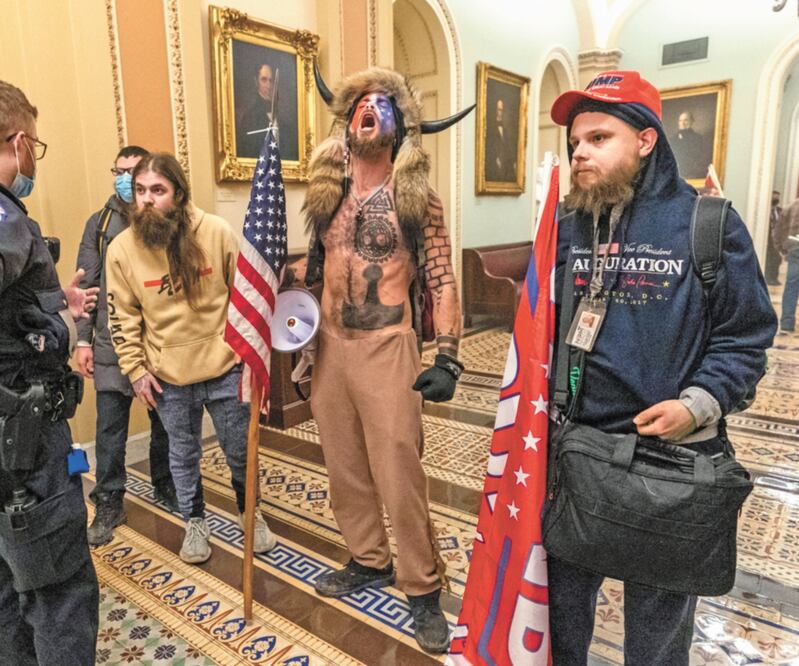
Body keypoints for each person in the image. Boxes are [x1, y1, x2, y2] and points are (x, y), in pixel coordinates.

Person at [548, 71, 776, 665]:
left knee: (656, 635)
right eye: (575, 142)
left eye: (599, 138)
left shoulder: (708, 224)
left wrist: (696, 404)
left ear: (646, 140)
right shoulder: (569, 228)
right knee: (561, 618)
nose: (579, 153)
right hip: (578, 455)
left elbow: (746, 335)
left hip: (670, 464)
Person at [288, 66, 471, 653]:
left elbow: (440, 277)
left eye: (382, 104)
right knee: (343, 468)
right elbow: (315, 271)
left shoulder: (418, 198)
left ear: (399, 125)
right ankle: (367, 558)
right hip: (331, 347)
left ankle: (421, 588)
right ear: (348, 122)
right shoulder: (327, 193)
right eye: (360, 104)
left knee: (398, 474)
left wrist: (448, 357)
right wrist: (297, 334)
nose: (369, 109)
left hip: (389, 347)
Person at [105, 152, 275, 564]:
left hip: (224, 366)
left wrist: (250, 360)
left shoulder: (215, 232)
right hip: (168, 376)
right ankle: (195, 520)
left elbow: (246, 298)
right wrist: (136, 370)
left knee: (240, 449)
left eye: (158, 191)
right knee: (182, 454)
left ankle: (250, 513)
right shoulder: (121, 250)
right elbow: (121, 317)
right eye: (140, 191)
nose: (146, 200)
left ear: (178, 194)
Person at [0, 79, 100, 664]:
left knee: (11, 592)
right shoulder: (7, 216)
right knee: (59, 594)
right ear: (20, 143)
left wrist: (54, 299)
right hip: (26, 447)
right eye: (35, 144)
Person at [76, 145, 180, 547]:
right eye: (118, 171)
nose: (125, 179)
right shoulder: (99, 224)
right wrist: (82, 341)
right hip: (109, 341)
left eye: (133, 172)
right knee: (109, 429)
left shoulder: (165, 221)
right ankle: (109, 502)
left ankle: (166, 485)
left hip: (158, 341)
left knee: (165, 422)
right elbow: (86, 285)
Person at [236, 62, 299, 161]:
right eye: (264, 80)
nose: (268, 86)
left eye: (270, 80)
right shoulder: (250, 116)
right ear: (256, 82)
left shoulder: (280, 114)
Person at [775, 194, 799, 332]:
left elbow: (777, 231)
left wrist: (782, 249)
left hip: (795, 248)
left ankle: (787, 322)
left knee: (791, 286)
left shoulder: (790, 207)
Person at [669, 110, 711, 180]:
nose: (682, 123)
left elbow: (700, 157)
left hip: (693, 174)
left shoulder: (698, 138)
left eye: (685, 120)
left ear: (691, 122)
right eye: (680, 120)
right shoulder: (672, 139)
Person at [485, 97, 516, 182]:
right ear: (495, 110)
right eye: (499, 110)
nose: (501, 113)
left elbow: (508, 147)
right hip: (494, 165)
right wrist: (496, 159)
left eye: (502, 110)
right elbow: (489, 147)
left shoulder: (505, 130)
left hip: (505, 164)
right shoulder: (490, 129)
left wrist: (513, 162)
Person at [765, 190, 783, 286]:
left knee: (777, 258)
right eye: (774, 196)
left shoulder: (780, 210)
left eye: (777, 197)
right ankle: (769, 278)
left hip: (777, 239)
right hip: (767, 239)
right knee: (773, 258)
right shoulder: (766, 211)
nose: (776, 199)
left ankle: (774, 278)